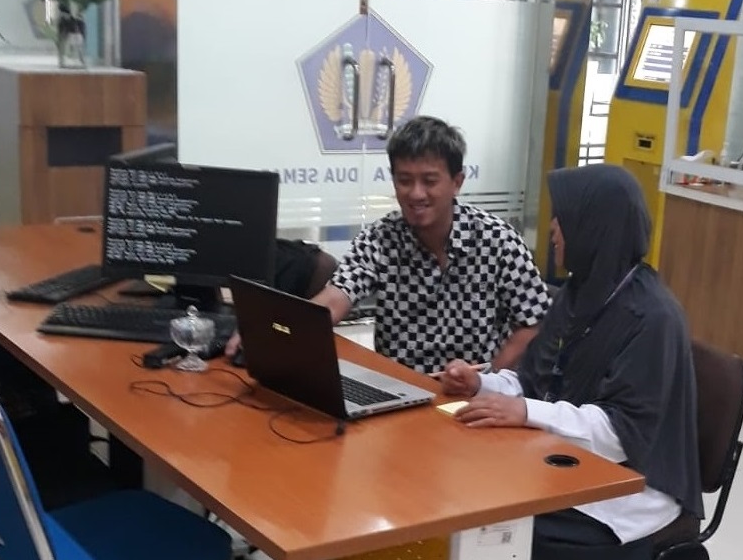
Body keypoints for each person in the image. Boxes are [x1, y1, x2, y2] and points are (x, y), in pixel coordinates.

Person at [440, 164, 702, 560]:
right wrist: (479, 385)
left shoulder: (653, 318)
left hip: (634, 487)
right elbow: (534, 382)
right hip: (572, 462)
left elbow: (620, 434)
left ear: (595, 226)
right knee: (469, 492)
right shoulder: (578, 294)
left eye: (563, 218)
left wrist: (525, 411)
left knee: (508, 527)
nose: (553, 229)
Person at [229, 115, 552, 373]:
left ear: (457, 182)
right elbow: (335, 299)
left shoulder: (498, 240)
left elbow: (533, 323)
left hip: (472, 396)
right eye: (404, 180)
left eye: (429, 181)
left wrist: (490, 381)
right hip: (399, 390)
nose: (416, 194)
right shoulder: (381, 238)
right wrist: (271, 330)